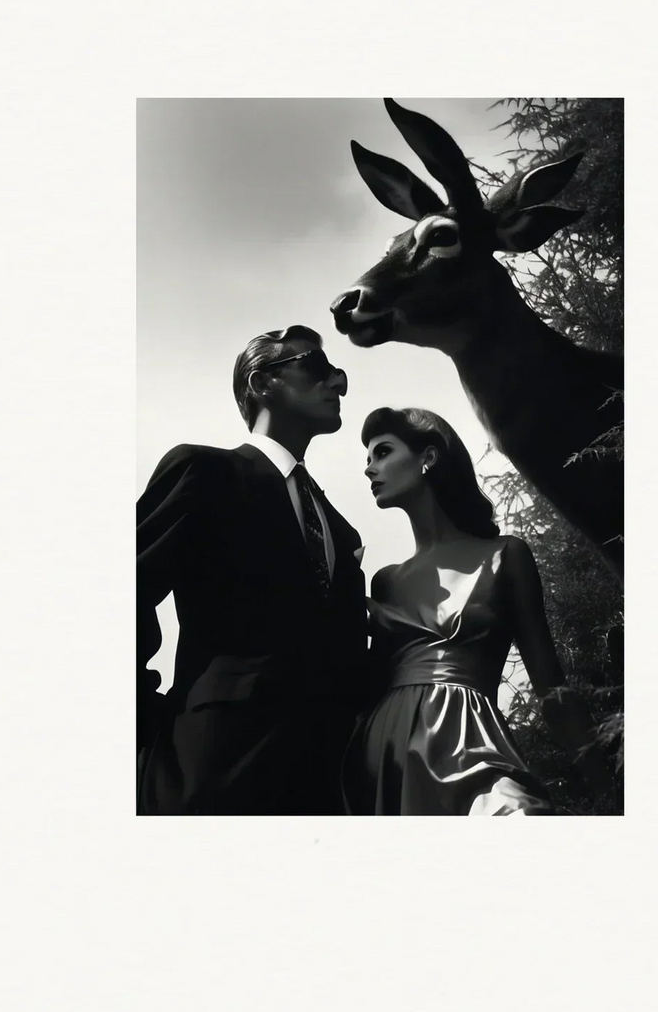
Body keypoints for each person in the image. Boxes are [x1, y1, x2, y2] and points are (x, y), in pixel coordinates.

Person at [136, 325, 370, 815]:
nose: (339, 383)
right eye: (317, 367)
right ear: (263, 384)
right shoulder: (203, 472)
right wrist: (148, 727)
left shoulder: (341, 532)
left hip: (324, 786)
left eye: (339, 373)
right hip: (212, 769)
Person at [343, 407, 611, 816]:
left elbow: (552, 689)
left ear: (428, 457)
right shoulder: (384, 581)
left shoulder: (505, 556)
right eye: (368, 459)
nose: (369, 469)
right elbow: (361, 690)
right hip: (386, 755)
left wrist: (609, 788)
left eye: (381, 452)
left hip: (472, 744)